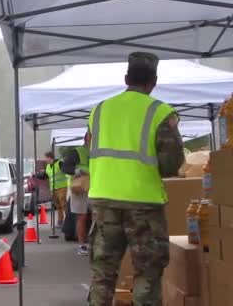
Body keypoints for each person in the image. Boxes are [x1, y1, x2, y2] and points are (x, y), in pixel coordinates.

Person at [87, 52, 185, 305]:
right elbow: (171, 164)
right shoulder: (160, 112)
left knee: (103, 275)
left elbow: (90, 150)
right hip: (143, 204)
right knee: (147, 274)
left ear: (126, 78)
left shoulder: (99, 111)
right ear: (153, 81)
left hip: (103, 201)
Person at [59, 133, 90, 256]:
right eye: (92, 137)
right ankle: (82, 245)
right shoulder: (77, 152)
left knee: (98, 216)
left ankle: (94, 242)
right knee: (81, 216)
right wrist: (76, 171)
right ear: (86, 138)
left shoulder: (99, 151)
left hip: (97, 187)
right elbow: (64, 167)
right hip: (80, 188)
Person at [44, 152, 68, 227]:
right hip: (53, 188)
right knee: (57, 205)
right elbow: (46, 175)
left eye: (46, 158)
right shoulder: (48, 166)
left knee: (63, 204)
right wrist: (37, 175)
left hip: (61, 187)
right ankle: (60, 220)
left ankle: (68, 220)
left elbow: (66, 170)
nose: (45, 159)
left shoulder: (59, 163)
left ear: (49, 157)